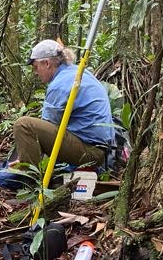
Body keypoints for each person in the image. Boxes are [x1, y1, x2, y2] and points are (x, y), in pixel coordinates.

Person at [14, 39, 113, 167]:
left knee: (24, 125)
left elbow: (45, 127)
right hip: (101, 150)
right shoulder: (76, 72)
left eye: (36, 67)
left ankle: (28, 179)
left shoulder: (60, 84)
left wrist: (26, 157)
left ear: (47, 63)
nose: (35, 73)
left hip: (91, 152)